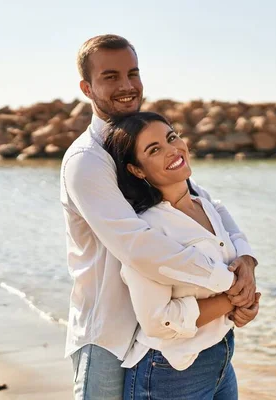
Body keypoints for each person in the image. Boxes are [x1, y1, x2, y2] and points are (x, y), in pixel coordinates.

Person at [60, 34, 259, 399]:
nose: (126, 86)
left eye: (132, 73)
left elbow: (206, 203)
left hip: (165, 334)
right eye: (110, 76)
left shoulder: (146, 140)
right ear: (86, 87)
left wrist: (245, 261)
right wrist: (228, 286)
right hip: (110, 331)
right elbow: (138, 246)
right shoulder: (87, 160)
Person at [102, 111, 260, 399]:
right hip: (170, 372)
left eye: (171, 137)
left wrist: (245, 297)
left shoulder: (205, 206)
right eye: (154, 150)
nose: (172, 150)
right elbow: (158, 321)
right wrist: (231, 301)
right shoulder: (149, 228)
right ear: (137, 170)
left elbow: (236, 256)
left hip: (220, 355)